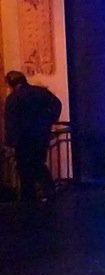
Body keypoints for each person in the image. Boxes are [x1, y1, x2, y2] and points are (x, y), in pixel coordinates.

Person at [4, 71, 62, 202]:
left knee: (24, 170)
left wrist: (10, 142)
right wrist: (50, 121)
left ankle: (29, 198)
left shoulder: (13, 99)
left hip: (23, 140)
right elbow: (57, 104)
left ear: (11, 83)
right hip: (40, 136)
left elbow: (11, 122)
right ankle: (49, 191)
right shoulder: (40, 92)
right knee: (39, 164)